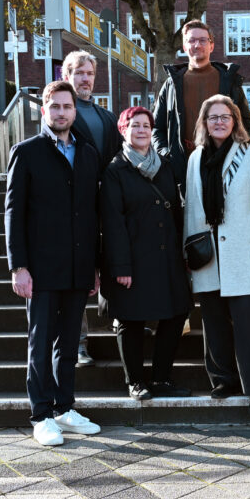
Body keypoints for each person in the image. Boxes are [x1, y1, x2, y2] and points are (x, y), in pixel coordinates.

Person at [5, 80, 102, 446]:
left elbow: (92, 215)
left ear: (75, 111)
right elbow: (13, 213)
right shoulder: (26, 152)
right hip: (40, 268)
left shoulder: (88, 153)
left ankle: (64, 408)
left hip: (78, 266)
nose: (62, 113)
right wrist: (18, 266)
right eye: (55, 106)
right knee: (41, 342)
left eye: (67, 106)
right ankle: (42, 414)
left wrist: (94, 266)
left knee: (68, 343)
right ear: (43, 110)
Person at [183, 94, 250, 417]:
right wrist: (188, 254)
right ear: (204, 123)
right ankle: (223, 380)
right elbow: (190, 209)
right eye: (213, 117)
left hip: (242, 253)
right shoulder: (195, 159)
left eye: (225, 116)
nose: (219, 122)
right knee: (213, 321)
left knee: (247, 323)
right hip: (206, 253)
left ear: (235, 121)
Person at [99, 106, 193, 401]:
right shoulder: (115, 171)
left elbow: (177, 211)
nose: (141, 130)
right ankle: (135, 381)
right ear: (123, 130)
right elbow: (112, 223)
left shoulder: (165, 166)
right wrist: (120, 266)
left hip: (167, 257)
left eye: (146, 126)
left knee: (177, 313)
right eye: (135, 125)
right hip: (133, 259)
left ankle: (162, 378)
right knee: (131, 319)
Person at [62, 50, 121, 368]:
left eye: (89, 74)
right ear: (67, 75)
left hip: (105, 203)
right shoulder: (61, 113)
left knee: (113, 260)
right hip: (74, 206)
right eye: (79, 73)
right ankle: (78, 344)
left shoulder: (107, 117)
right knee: (76, 274)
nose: (85, 79)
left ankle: (118, 318)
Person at [153, 19, 250, 194]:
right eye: (191, 40)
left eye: (202, 40)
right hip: (183, 169)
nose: (197, 45)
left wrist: (233, 154)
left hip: (223, 167)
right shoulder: (171, 85)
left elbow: (246, 124)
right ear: (184, 47)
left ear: (211, 46)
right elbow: (157, 128)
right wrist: (167, 155)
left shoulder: (229, 81)